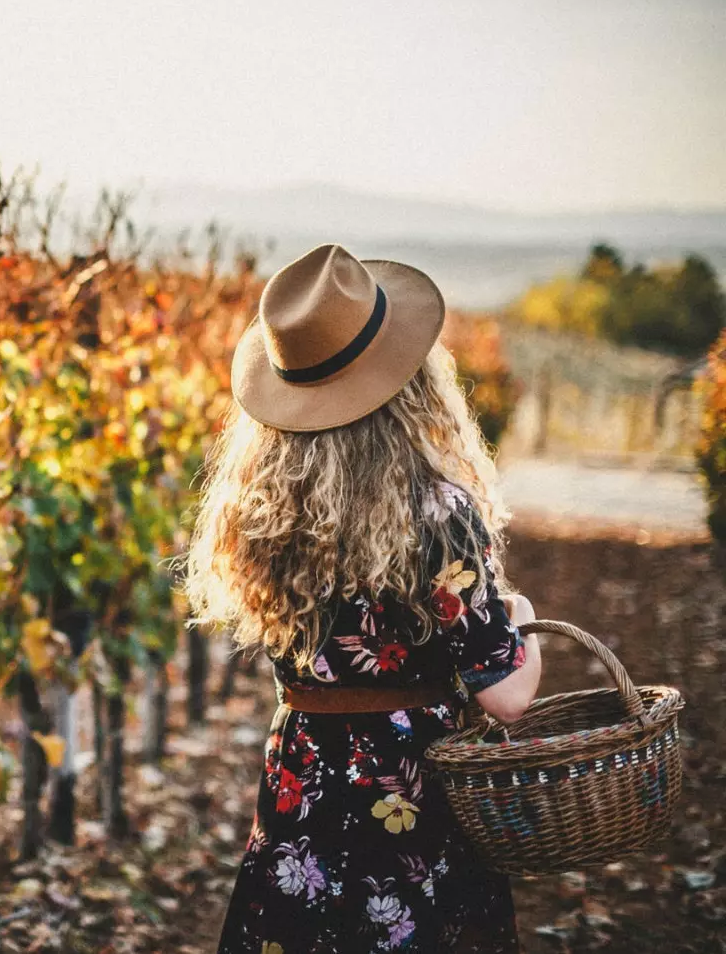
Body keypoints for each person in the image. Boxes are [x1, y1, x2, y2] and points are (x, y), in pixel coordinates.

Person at [183, 244, 544, 953]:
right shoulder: (439, 513)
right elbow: (506, 696)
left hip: (302, 787)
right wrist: (521, 621)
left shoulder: (261, 513)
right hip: (409, 799)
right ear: (411, 384)